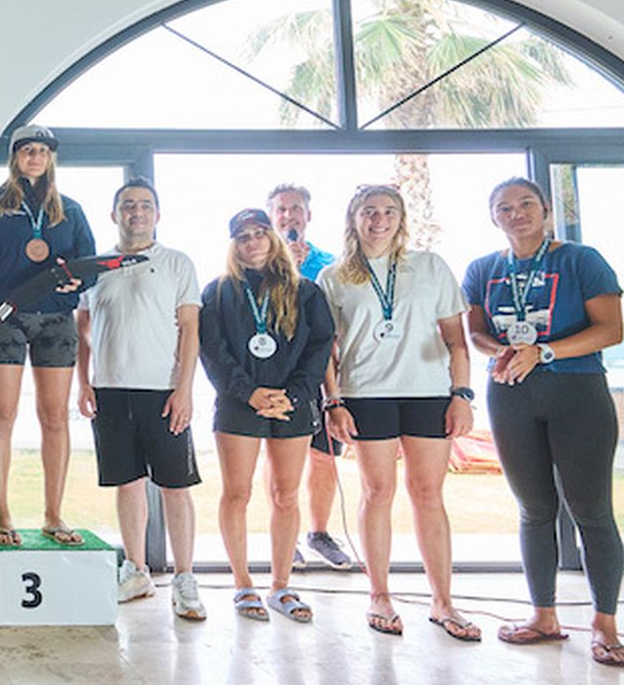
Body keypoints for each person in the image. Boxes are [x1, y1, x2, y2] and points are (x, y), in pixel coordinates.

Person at [463, 177, 624, 667]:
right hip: (511, 394)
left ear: (546, 210)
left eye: (526, 204)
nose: (517, 214)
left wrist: (546, 351)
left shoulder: (581, 259)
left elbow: (611, 329)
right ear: (493, 217)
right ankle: (544, 616)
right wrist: (502, 352)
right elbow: (475, 331)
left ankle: (605, 624)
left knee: (591, 510)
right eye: (505, 208)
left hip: (577, 391)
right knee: (534, 510)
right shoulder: (483, 268)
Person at [318, 185, 480, 640]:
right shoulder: (334, 277)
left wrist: (461, 394)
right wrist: (335, 402)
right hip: (366, 394)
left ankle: (444, 602)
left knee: (428, 494)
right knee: (377, 492)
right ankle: (379, 595)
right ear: (354, 218)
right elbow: (326, 351)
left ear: (401, 218)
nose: (380, 219)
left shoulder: (429, 267)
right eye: (370, 211)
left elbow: (456, 340)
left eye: (389, 211)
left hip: (428, 392)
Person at [75, 179, 207, 619]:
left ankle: (185, 578)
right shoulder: (97, 267)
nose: (137, 211)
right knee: (127, 483)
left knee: (175, 487)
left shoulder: (176, 264)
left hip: (163, 393)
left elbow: (190, 329)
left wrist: (185, 388)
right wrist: (84, 382)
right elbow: (83, 332)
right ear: (114, 215)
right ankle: (135, 570)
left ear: (157, 215)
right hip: (111, 390)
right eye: (128, 205)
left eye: (145, 205)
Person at [0, 124, 95, 547]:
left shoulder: (70, 211)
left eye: (42, 150)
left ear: (51, 157)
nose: (35, 157)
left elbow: (87, 266)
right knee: (2, 415)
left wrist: (77, 283)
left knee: (54, 417)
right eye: (27, 150)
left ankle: (53, 516)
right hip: (4, 321)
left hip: (56, 320)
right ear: (15, 156)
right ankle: (2, 515)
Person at [200, 207, 333, 622]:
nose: (253, 242)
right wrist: (250, 392)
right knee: (237, 493)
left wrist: (293, 394)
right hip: (239, 403)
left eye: (260, 233)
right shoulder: (218, 292)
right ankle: (243, 585)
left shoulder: (305, 290)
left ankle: (281, 586)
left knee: (286, 494)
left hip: (291, 404)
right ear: (233, 245)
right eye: (243, 236)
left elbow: (320, 346)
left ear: (273, 238)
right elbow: (213, 351)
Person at [266, 183, 355, 571]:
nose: (289, 216)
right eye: (282, 210)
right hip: (277, 377)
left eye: (296, 209)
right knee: (281, 459)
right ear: (271, 215)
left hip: (323, 377)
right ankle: (286, 535)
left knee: (324, 456)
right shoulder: (256, 262)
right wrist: (286, 269)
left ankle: (318, 533)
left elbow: (335, 323)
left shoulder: (330, 264)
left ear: (308, 215)